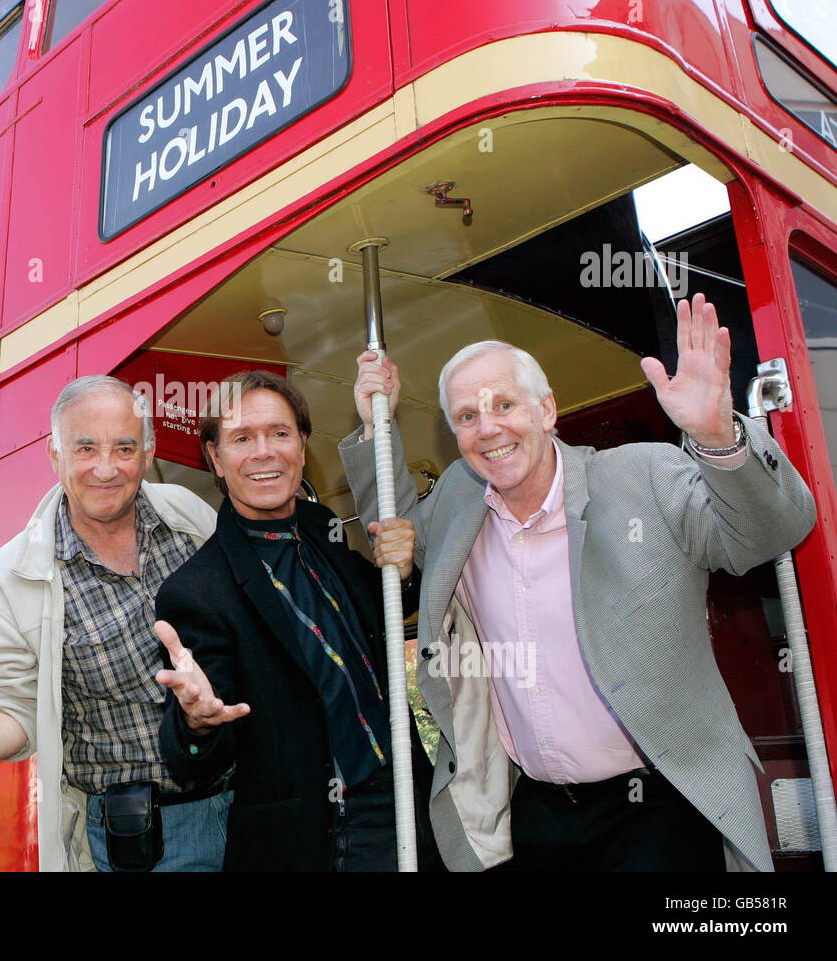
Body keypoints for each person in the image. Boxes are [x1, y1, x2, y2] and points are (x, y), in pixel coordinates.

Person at [340, 293, 816, 871]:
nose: (487, 429)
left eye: (504, 405)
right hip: (539, 813)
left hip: (660, 804)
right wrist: (376, 425)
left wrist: (719, 438)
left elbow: (772, 531)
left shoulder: (642, 476)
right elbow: (391, 526)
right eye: (467, 416)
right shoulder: (455, 507)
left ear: (546, 411)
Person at [0, 375, 227, 871]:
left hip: (244, 800)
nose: (105, 468)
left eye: (123, 448)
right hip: (138, 840)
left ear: (148, 454)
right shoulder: (9, 578)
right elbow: (14, 704)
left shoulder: (189, 517)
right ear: (54, 455)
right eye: (85, 448)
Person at [155, 369, 440, 871]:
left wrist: (403, 567)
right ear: (216, 459)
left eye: (280, 434)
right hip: (317, 837)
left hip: (406, 798)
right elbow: (199, 753)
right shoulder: (195, 591)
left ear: (302, 448)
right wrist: (196, 723)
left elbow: (379, 609)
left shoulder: (322, 527)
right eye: (242, 438)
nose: (264, 452)